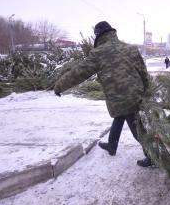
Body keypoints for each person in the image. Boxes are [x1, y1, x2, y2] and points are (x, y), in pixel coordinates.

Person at [53, 21, 153, 167]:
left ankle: (153, 156)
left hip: (119, 98)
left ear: (98, 35)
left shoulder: (99, 53)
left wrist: (59, 86)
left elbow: (78, 72)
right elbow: (143, 72)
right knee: (120, 116)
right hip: (135, 94)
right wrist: (147, 90)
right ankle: (112, 145)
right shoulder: (130, 48)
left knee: (137, 129)